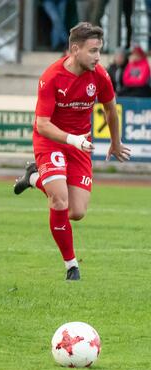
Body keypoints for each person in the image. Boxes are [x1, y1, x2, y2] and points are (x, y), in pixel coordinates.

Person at [13, 23, 130, 281]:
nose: (98, 57)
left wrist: (116, 142)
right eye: (93, 51)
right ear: (75, 50)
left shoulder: (99, 75)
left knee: (76, 212)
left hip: (79, 144)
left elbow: (111, 109)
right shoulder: (52, 77)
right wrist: (73, 140)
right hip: (50, 141)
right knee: (59, 201)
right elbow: (42, 124)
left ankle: (32, 178)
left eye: (100, 51)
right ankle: (71, 266)